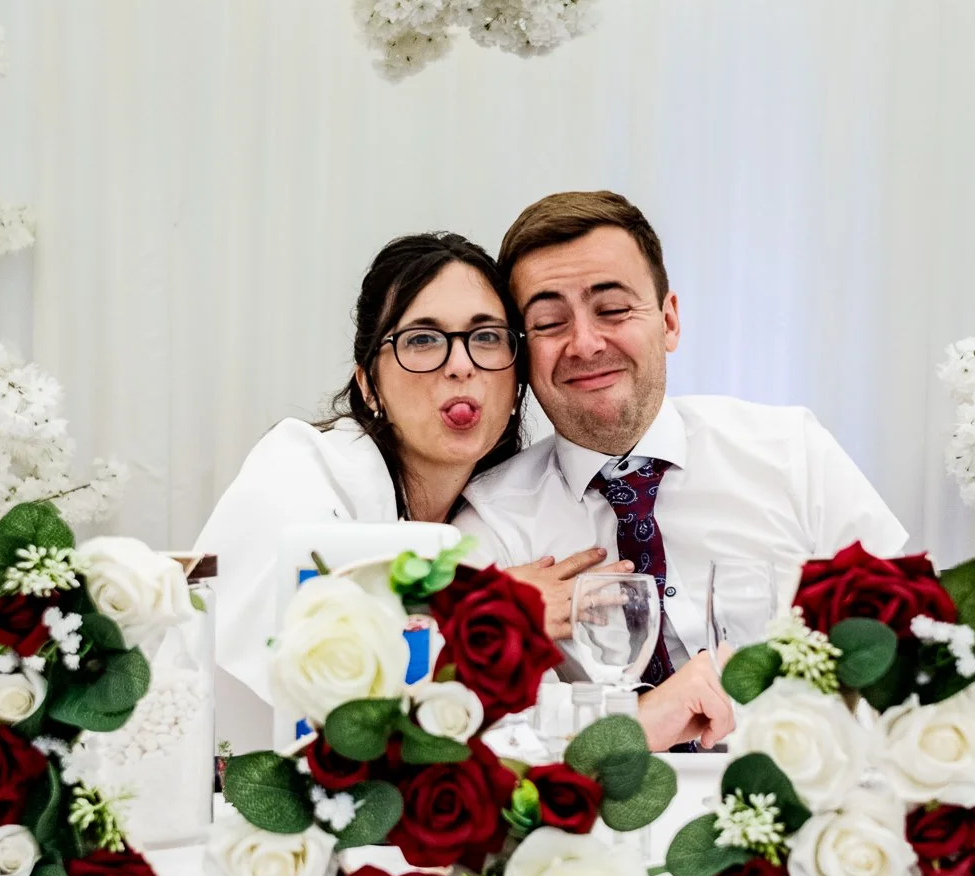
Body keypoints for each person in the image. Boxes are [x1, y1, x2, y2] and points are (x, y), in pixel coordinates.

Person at [194, 230, 726, 751]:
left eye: (487, 337)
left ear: (517, 383)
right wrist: (487, 615)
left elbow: (503, 730)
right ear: (367, 383)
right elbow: (323, 689)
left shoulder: (493, 526)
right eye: (422, 339)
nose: (460, 364)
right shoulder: (301, 468)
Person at [459, 191, 909, 714]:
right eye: (550, 323)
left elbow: (911, 641)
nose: (584, 344)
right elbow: (495, 731)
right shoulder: (492, 522)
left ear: (669, 322)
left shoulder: (792, 451)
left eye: (612, 309)